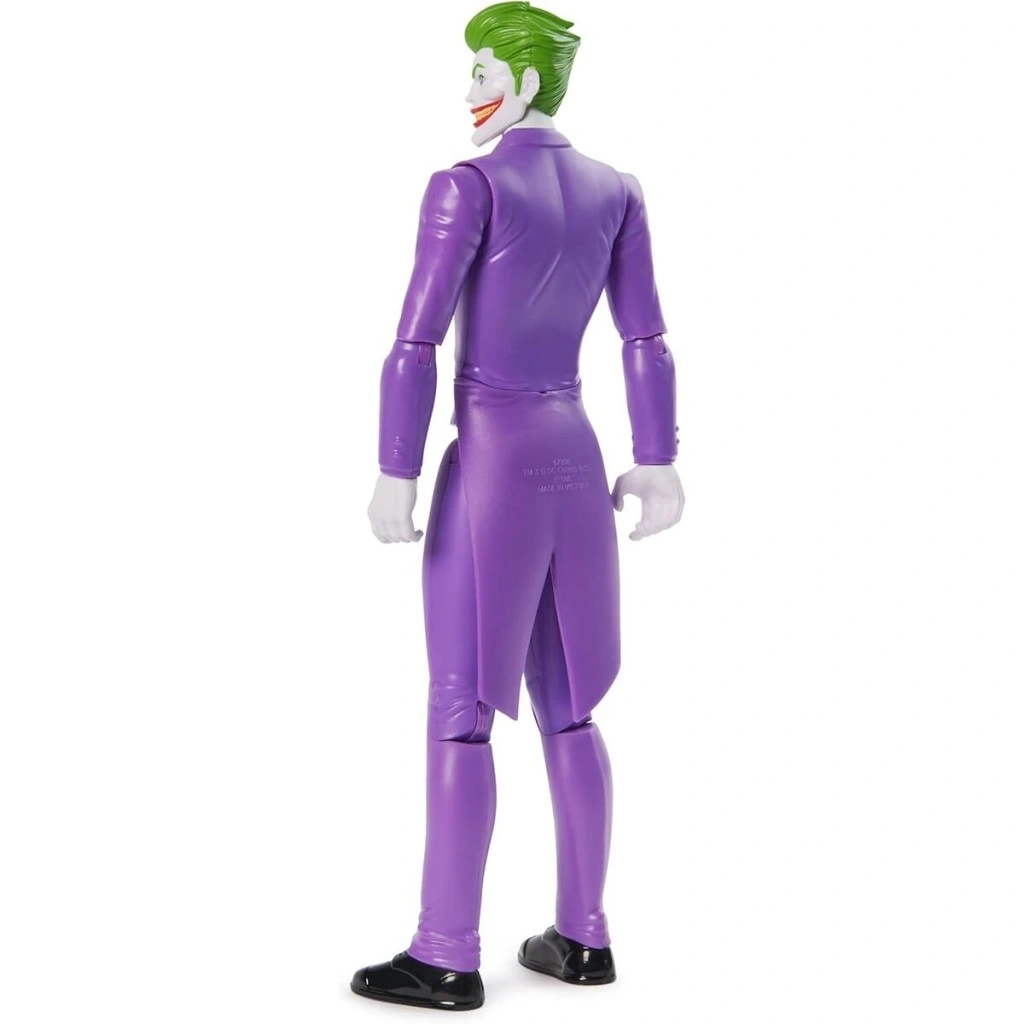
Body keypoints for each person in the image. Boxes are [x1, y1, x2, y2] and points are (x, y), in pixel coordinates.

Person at [353, 2, 684, 1011]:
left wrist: (397, 467)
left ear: (527, 80)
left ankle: (444, 951)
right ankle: (583, 936)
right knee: (569, 704)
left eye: (483, 71)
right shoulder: (616, 190)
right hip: (576, 456)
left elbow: (414, 340)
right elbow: (645, 339)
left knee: (461, 708)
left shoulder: (467, 186)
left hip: (494, 459)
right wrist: (658, 461)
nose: (469, 91)